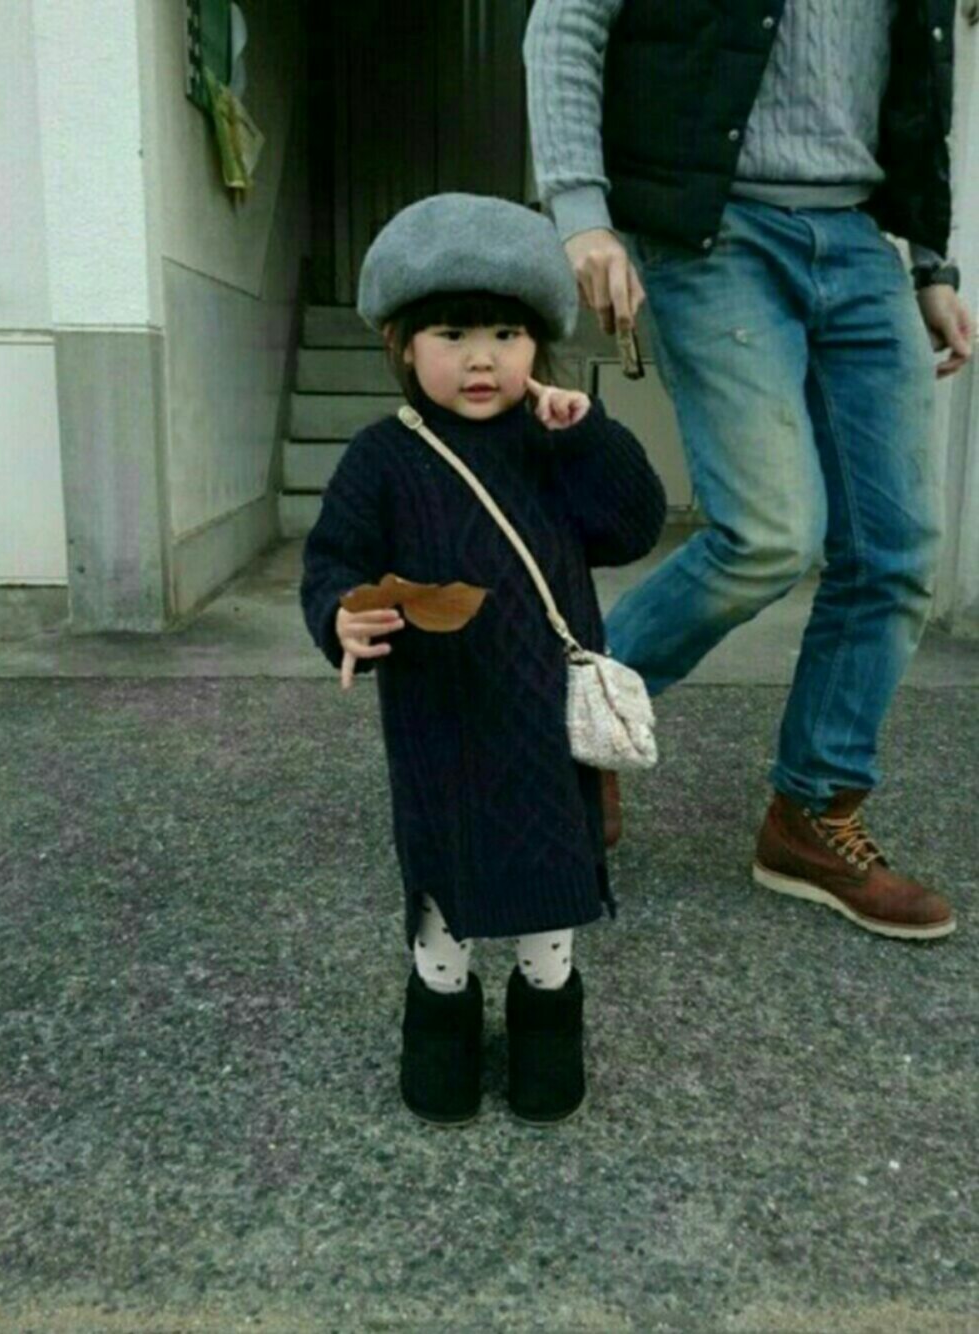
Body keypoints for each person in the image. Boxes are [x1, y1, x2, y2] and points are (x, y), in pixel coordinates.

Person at [524, 0, 973, 941]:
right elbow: (566, 22)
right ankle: (568, 719)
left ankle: (812, 812)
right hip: (714, 227)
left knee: (895, 554)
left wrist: (931, 261)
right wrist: (582, 214)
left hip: (861, 239)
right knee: (768, 534)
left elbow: (923, 74)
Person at [300, 194, 667, 1125]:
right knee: (443, 894)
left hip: (548, 725)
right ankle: (441, 1036)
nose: (481, 359)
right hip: (438, 724)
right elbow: (333, 560)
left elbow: (632, 526)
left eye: (507, 334)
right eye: (452, 334)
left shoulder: (554, 443)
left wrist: (589, 433)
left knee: (551, 894)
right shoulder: (383, 457)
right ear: (400, 343)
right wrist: (341, 618)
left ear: (538, 344)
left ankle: (548, 1043)